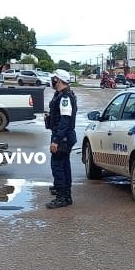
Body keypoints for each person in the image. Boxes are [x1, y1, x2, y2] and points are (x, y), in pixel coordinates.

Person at [46, 69, 77, 208]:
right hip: (63, 135)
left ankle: (62, 197)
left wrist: (56, 140)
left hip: (62, 136)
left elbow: (65, 120)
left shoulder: (65, 97)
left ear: (58, 80)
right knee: (64, 166)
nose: (52, 80)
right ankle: (65, 193)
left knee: (57, 166)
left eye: (54, 78)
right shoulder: (60, 95)